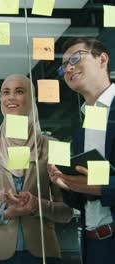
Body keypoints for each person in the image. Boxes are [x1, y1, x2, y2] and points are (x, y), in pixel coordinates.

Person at [0, 74, 73, 264]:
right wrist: (4, 212)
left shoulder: (54, 146)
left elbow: (68, 211)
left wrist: (37, 205)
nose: (11, 97)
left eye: (19, 91)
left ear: (31, 99)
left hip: (44, 254)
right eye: (6, 92)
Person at [48, 37, 115, 264]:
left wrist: (101, 187)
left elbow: (99, 187)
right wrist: (65, 184)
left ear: (102, 59)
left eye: (76, 58)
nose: (68, 68)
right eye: (63, 65)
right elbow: (84, 200)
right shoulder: (82, 128)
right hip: (93, 245)